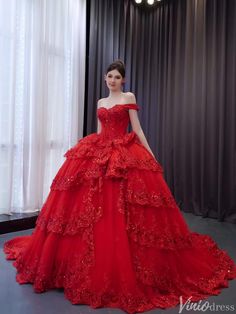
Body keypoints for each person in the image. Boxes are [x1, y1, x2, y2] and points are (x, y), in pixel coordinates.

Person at [4, 59, 236, 314]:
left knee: (125, 208)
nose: (113, 80)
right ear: (105, 79)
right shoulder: (101, 103)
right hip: (99, 151)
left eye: (117, 77)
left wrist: (150, 154)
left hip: (124, 154)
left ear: (123, 80)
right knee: (87, 208)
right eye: (110, 76)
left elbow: (136, 129)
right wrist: (92, 150)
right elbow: (99, 129)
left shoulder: (128, 98)